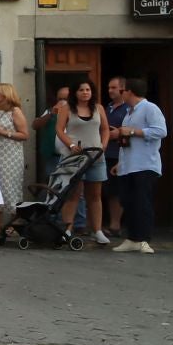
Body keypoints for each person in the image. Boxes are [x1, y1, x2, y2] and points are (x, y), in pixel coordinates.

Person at [109, 77, 166, 254]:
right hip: (129, 165)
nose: (120, 94)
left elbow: (161, 131)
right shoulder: (129, 113)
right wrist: (120, 161)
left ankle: (144, 239)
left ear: (129, 92)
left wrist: (133, 131)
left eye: (122, 91)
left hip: (145, 165)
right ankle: (132, 237)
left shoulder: (150, 108)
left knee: (142, 202)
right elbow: (126, 139)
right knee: (128, 201)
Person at [56, 77, 110, 245]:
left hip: (96, 156)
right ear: (75, 93)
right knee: (73, 194)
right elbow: (59, 129)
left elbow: (105, 129)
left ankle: (97, 230)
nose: (85, 93)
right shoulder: (67, 109)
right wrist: (70, 144)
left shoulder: (99, 108)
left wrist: (103, 146)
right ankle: (68, 229)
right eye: (81, 90)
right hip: (74, 157)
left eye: (87, 90)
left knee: (95, 195)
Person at [0, 83, 29, 215]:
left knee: (9, 188)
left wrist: (4, 133)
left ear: (6, 95)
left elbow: (24, 134)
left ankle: (14, 222)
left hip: (10, 156)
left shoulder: (15, 111)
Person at [101, 75, 128, 237]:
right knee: (109, 191)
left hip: (121, 154)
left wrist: (116, 134)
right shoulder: (107, 107)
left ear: (123, 89)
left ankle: (116, 225)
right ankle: (112, 224)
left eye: (113, 88)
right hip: (105, 154)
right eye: (109, 87)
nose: (110, 91)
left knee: (119, 191)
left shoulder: (129, 109)